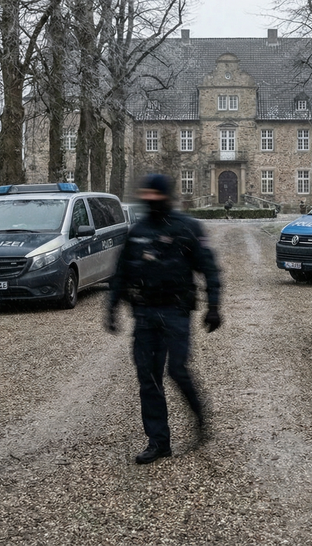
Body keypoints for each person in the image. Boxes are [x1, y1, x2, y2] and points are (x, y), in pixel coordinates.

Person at [106, 174, 222, 465]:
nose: (151, 201)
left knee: (178, 370)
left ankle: (200, 417)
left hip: (176, 311)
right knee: (148, 378)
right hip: (144, 313)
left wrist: (214, 306)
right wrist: (111, 308)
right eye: (147, 196)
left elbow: (209, 268)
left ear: (166, 197)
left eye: (156, 196)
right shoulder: (138, 231)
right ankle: (158, 441)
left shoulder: (187, 228)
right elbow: (121, 273)